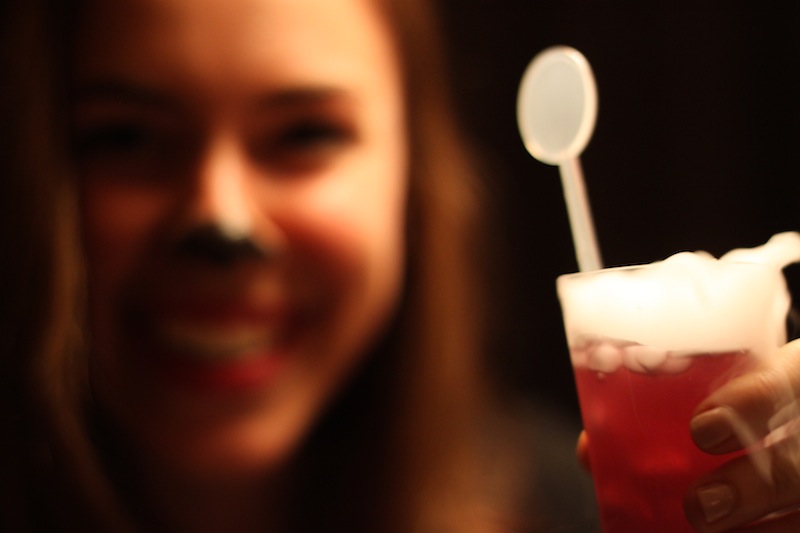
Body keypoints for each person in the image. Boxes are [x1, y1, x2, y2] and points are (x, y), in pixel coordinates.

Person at [1, 0, 799, 532]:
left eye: (305, 134)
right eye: (127, 137)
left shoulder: (559, 507)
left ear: (411, 177)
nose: (222, 218)